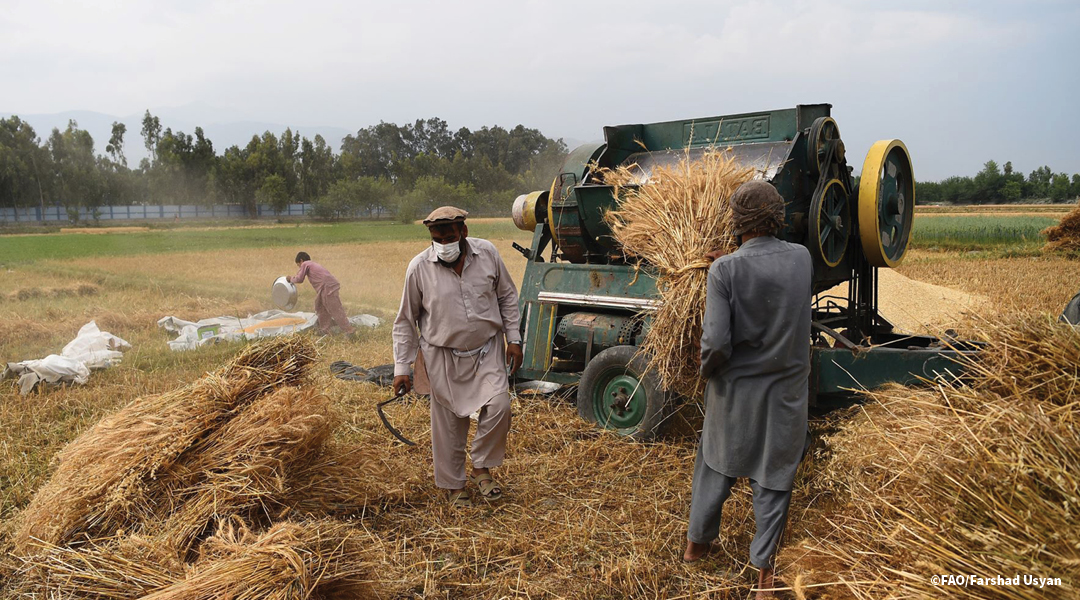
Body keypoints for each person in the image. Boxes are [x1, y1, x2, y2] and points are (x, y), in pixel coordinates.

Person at [684, 181, 812, 599]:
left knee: (715, 463)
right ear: (778, 217)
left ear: (737, 223)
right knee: (774, 479)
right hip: (786, 395)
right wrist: (734, 259)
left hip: (734, 391)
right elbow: (769, 269)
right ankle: (765, 578)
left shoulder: (724, 272)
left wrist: (705, 371)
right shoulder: (802, 259)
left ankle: (696, 546)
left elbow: (716, 343)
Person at [391, 206, 523, 508]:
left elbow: (506, 296)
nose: (444, 245)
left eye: (449, 238)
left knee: (500, 406)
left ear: (463, 232)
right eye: (437, 239)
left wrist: (513, 339)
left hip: (487, 350)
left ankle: (481, 467)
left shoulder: (487, 254)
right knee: (449, 424)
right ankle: (454, 486)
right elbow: (405, 320)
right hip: (442, 356)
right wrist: (402, 368)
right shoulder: (419, 268)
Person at [287, 251, 356, 335]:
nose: (300, 267)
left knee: (334, 308)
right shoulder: (312, 264)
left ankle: (349, 329)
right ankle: (325, 330)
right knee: (321, 308)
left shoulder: (305, 264)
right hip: (327, 287)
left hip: (327, 287)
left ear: (301, 260)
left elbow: (300, 279)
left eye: (298, 265)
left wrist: (291, 279)